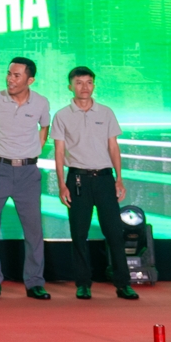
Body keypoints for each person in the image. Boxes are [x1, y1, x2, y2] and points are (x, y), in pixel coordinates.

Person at [51, 65, 138, 300]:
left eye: (89, 82)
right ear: (70, 86)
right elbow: (59, 152)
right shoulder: (62, 115)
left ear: (94, 85)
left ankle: (123, 283)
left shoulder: (106, 112)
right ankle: (83, 283)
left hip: (105, 179)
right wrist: (61, 184)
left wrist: (119, 178)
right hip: (77, 179)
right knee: (79, 234)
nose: (84, 87)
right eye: (79, 83)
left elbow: (113, 147)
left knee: (114, 233)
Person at [0, 57, 53, 300]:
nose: (10, 79)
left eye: (16, 75)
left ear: (30, 80)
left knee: (33, 230)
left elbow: (44, 128)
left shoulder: (41, 102)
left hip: (28, 173)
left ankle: (34, 282)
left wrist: (35, 150)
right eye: (9, 73)